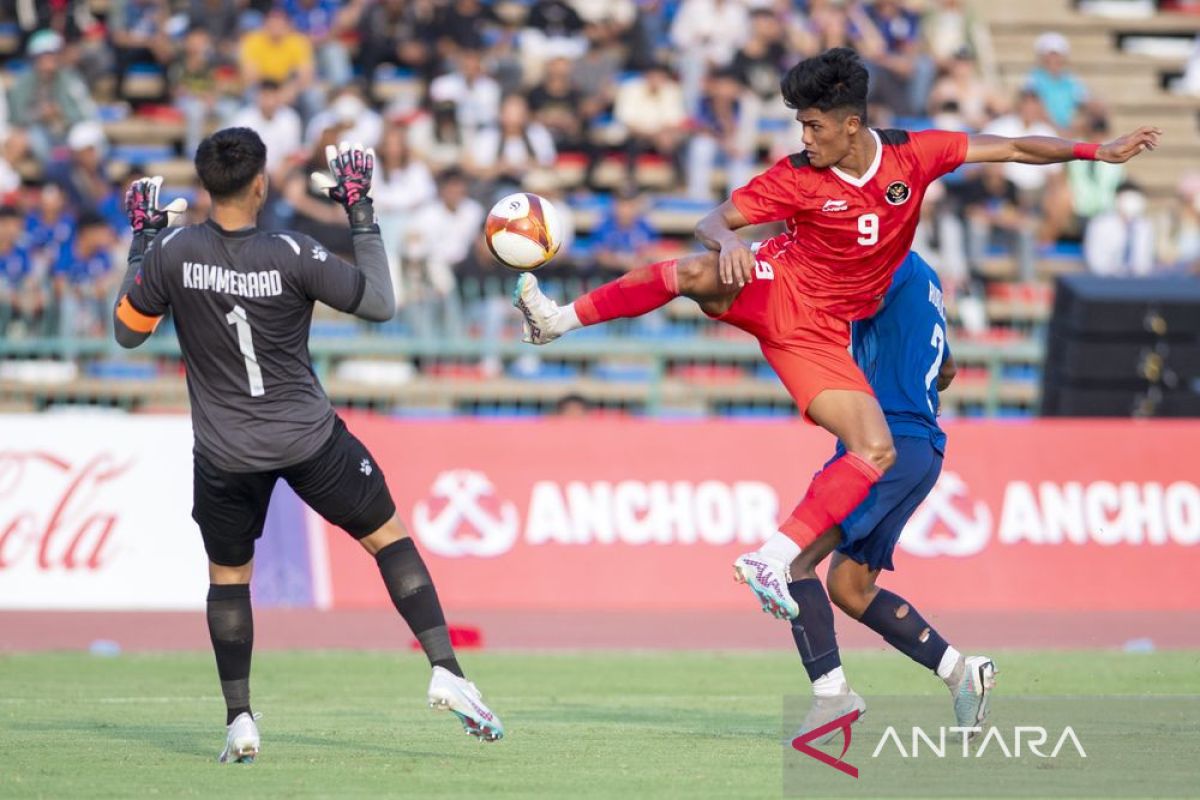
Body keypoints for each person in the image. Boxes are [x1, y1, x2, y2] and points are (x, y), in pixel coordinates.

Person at [512, 46, 1158, 635]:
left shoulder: (916, 155)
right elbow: (716, 218)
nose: (805, 137)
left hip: (821, 333)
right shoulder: (796, 175)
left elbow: (1012, 147)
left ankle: (771, 557)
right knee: (697, 272)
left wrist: (1092, 152)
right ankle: (557, 320)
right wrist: (732, 240)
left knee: (874, 448)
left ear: (851, 125)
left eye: (814, 126)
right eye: (801, 126)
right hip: (777, 283)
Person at [111, 128, 504, 762]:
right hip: (308, 439)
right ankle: (446, 671)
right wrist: (361, 211)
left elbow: (128, 333)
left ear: (206, 186)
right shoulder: (292, 250)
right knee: (390, 540)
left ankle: (239, 718)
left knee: (230, 578)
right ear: (261, 184)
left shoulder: (173, 253)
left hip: (224, 453)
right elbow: (379, 302)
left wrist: (143, 241)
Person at [773, 251, 996, 739]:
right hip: (917, 446)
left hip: (882, 447)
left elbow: (824, 300)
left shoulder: (886, 263)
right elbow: (948, 370)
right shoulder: (926, 277)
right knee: (849, 588)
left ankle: (832, 699)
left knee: (792, 562)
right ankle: (961, 673)